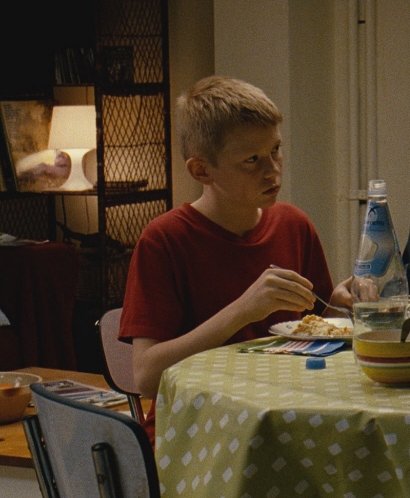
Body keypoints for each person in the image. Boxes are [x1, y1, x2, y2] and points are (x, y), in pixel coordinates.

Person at [119, 75, 352, 444]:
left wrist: (338, 307)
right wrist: (243, 310)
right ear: (202, 170)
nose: (273, 170)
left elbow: (313, 337)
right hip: (193, 432)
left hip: (277, 420)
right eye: (252, 160)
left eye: (276, 149)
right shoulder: (164, 240)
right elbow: (146, 377)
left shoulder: (294, 225)